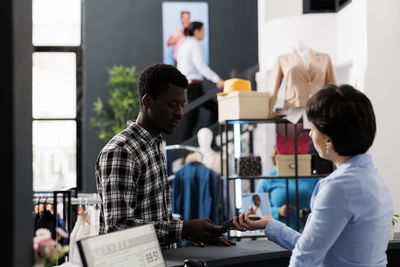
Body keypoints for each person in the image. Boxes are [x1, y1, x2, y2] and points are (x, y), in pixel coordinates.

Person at [233, 84, 393, 266]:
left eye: (313, 128)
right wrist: (270, 224)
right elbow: (315, 245)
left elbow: (304, 258)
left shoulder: (337, 187)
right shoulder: (376, 181)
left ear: (328, 140)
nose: (309, 134)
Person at [95, 63, 235, 249]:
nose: (179, 113)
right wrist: (183, 229)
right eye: (172, 105)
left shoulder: (155, 145)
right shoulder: (121, 152)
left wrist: (189, 233)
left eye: (182, 105)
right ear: (147, 102)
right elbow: (118, 229)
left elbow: (155, 218)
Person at [177, 21, 224, 141]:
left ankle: (207, 140)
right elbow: (201, 66)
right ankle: (187, 149)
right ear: (197, 31)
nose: (204, 34)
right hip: (194, 88)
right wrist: (217, 79)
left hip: (187, 87)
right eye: (203, 31)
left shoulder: (183, 45)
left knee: (194, 118)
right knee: (191, 120)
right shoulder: (194, 45)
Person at [255, 146, 320, 231]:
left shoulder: (313, 177)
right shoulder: (268, 179)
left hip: (311, 231)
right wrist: (278, 212)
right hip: (278, 234)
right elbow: (257, 210)